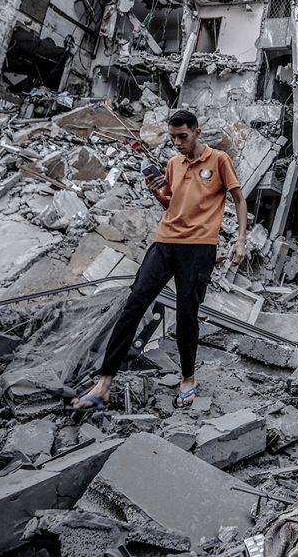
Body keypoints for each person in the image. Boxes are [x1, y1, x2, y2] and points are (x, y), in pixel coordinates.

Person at [73, 110, 247, 410]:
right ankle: (104, 383)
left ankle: (188, 378)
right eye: (173, 138)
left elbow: (239, 199)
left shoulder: (218, 160)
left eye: (183, 136)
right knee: (134, 304)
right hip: (165, 242)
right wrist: (157, 194)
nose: (178, 143)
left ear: (197, 132)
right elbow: (172, 203)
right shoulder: (172, 164)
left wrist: (241, 239)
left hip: (199, 247)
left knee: (186, 314)